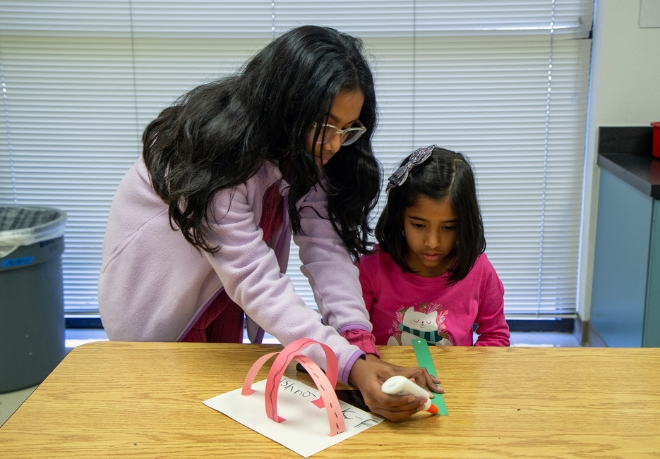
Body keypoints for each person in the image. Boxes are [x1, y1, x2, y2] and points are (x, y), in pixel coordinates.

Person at [98, 25, 441, 421]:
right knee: (175, 422)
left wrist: (357, 342)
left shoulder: (306, 152)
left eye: (347, 129)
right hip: (157, 311)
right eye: (325, 125)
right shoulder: (215, 156)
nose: (333, 144)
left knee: (219, 417)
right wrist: (350, 366)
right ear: (285, 104)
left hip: (217, 296)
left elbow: (326, 249)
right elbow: (254, 279)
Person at [357, 145, 510, 348]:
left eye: (448, 227)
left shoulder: (479, 270)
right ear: (399, 216)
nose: (432, 242)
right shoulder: (370, 267)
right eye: (419, 225)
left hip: (455, 379)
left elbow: (495, 337)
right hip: (387, 378)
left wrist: (467, 373)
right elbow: (352, 335)